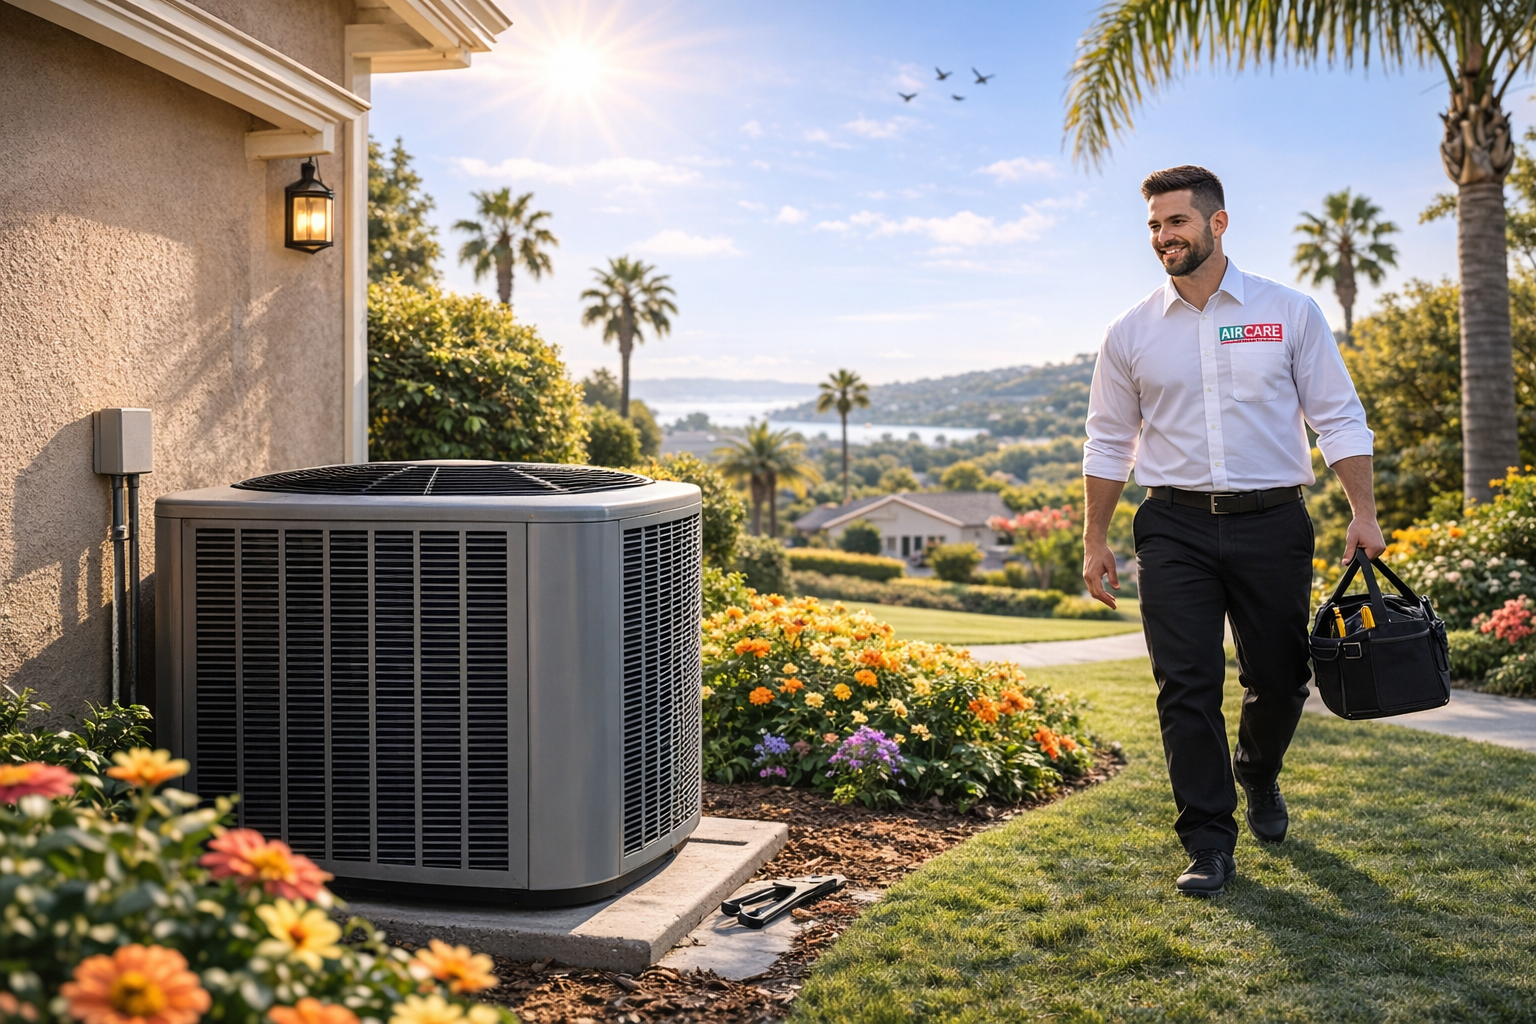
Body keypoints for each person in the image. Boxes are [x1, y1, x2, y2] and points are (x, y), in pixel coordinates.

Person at [1081, 165, 1384, 897]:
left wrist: (1364, 512)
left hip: (1274, 521)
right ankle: (1209, 841)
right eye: (1155, 225)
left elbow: (1339, 417)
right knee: (1185, 685)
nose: (1164, 236)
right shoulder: (1129, 331)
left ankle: (1258, 771)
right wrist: (1095, 538)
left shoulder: (1289, 312)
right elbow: (1109, 441)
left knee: (1281, 677)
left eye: (1177, 222)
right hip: (1172, 526)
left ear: (1217, 223)